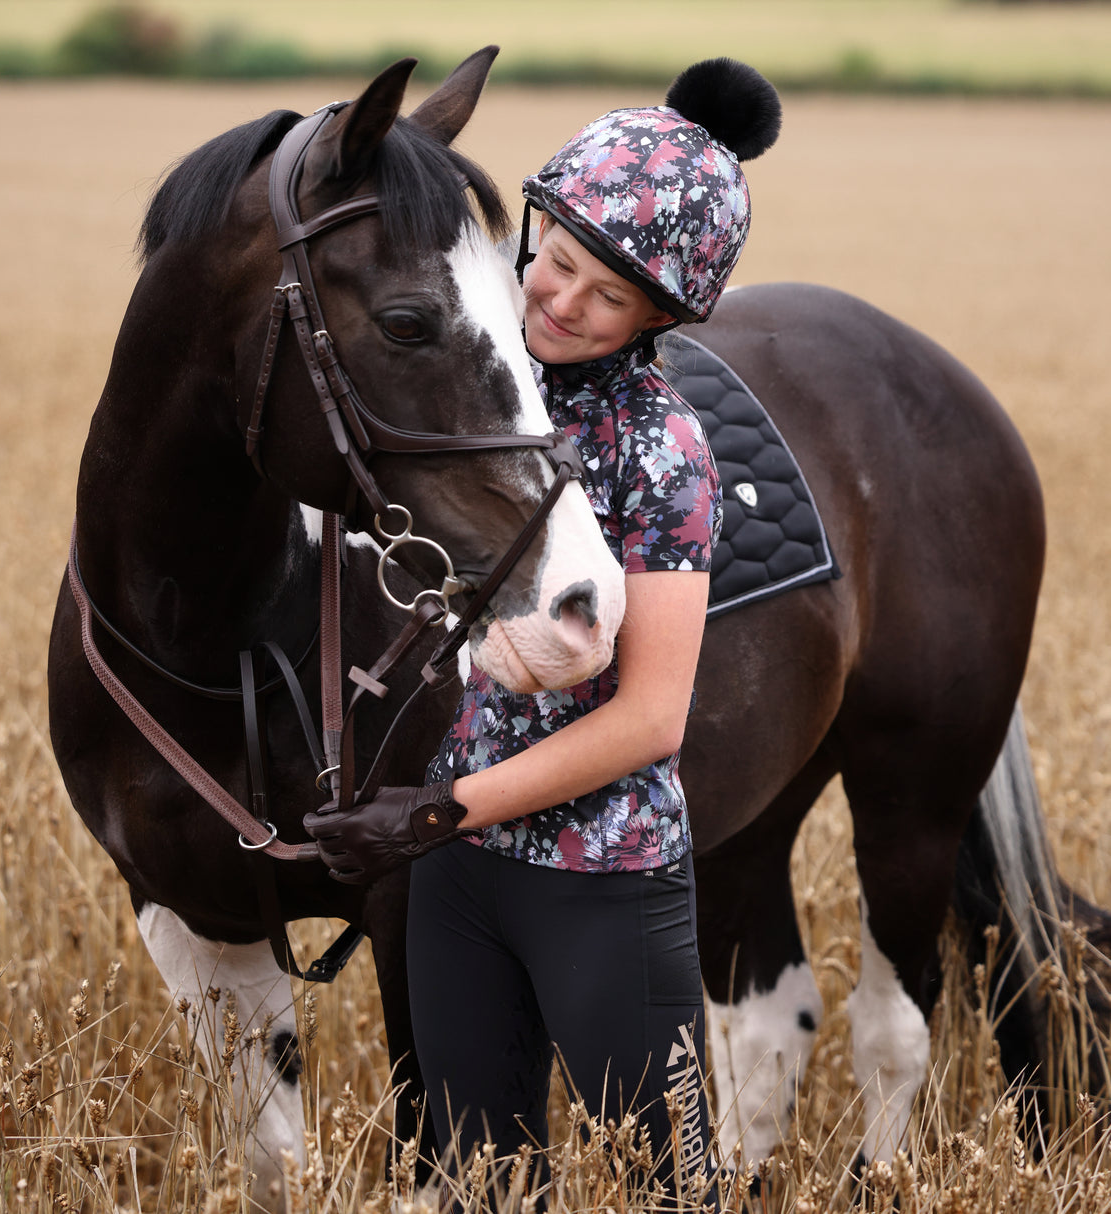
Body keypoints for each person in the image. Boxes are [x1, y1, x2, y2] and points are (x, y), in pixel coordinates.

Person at [305, 56, 782, 1198]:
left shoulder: (661, 452)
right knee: (478, 1181)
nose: (557, 302)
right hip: (458, 881)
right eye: (554, 261)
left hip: (601, 884)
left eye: (603, 295)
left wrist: (434, 808)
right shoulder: (464, 383)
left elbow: (650, 718)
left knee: (669, 1187)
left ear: (657, 315)